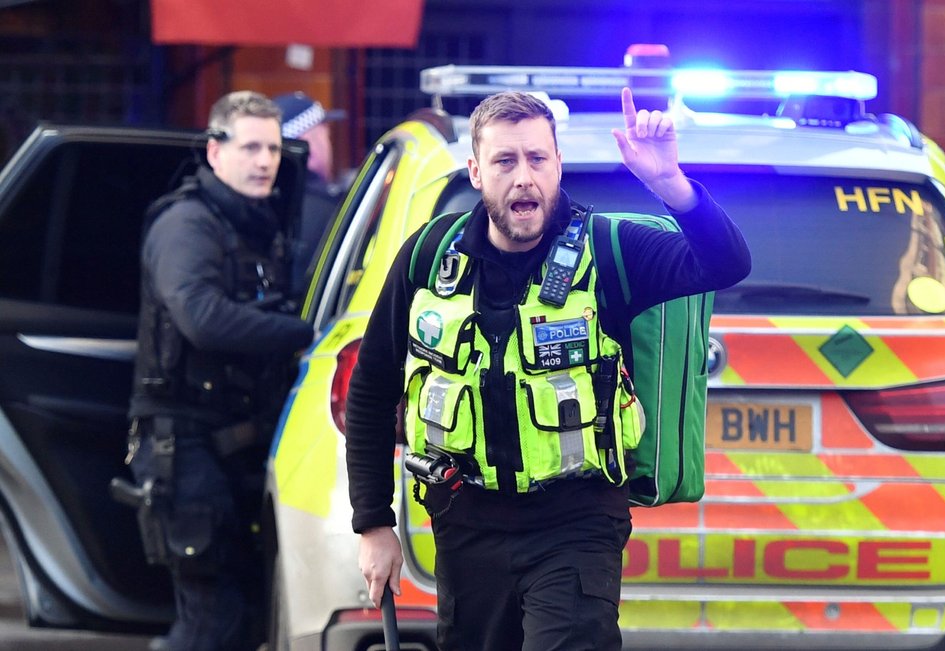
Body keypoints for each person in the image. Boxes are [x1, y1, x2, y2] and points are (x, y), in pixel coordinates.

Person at [344, 88, 751, 650]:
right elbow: (372, 386)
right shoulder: (430, 255)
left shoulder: (608, 251)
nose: (524, 177)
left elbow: (726, 263)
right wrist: (373, 523)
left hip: (576, 525)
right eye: (505, 161)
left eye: (537, 159)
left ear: (557, 165)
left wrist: (669, 183)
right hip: (465, 525)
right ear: (476, 172)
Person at [125, 90, 315, 651]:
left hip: (232, 445)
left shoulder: (256, 226)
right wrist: (308, 335)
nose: (265, 161)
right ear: (215, 151)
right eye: (251, 146)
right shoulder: (187, 225)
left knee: (243, 618)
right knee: (213, 621)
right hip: (182, 444)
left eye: (274, 149)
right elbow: (202, 320)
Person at [272, 91, 348, 292]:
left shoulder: (268, 201)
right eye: (325, 133)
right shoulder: (328, 209)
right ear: (310, 147)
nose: (330, 142)